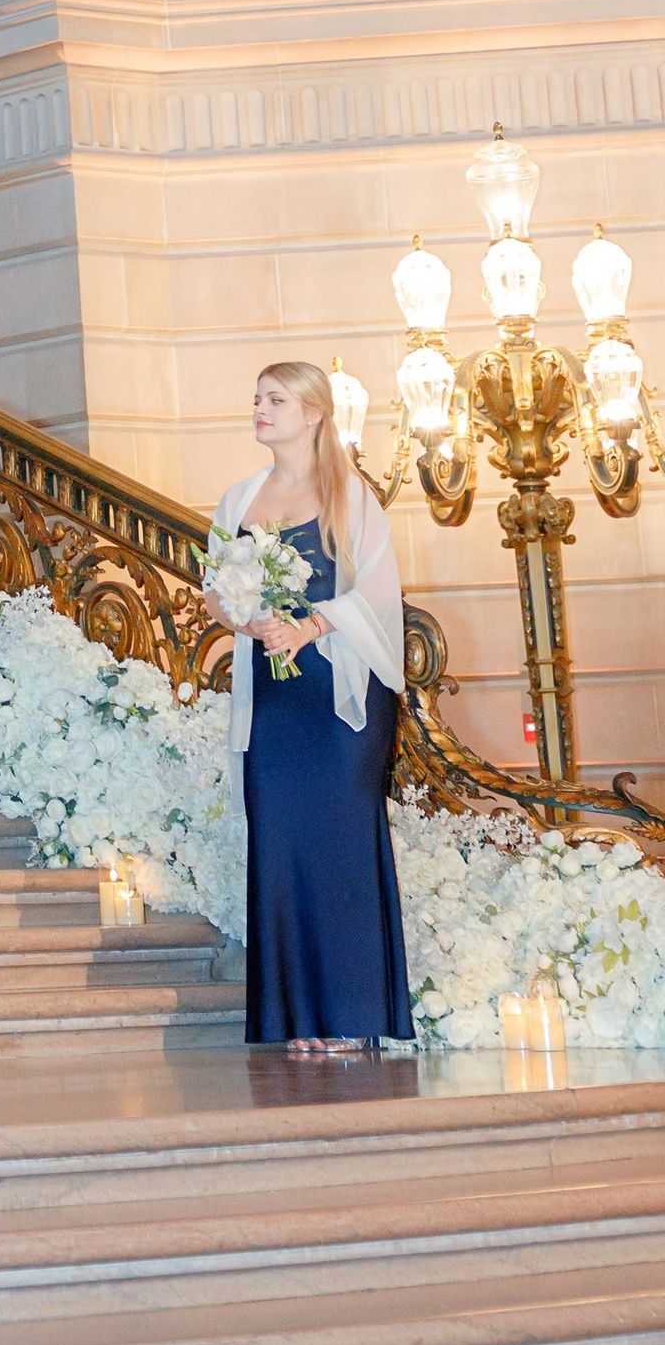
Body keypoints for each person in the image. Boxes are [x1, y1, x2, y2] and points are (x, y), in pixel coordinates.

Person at [213, 357, 412, 1053]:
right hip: (275, 696)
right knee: (282, 842)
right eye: (258, 398)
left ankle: (353, 1019)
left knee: (341, 844)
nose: (261, 409)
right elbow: (217, 591)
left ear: (312, 413)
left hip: (340, 699)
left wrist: (308, 626)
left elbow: (381, 596)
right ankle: (297, 1021)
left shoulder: (350, 496)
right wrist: (247, 618)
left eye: (275, 399)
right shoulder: (238, 500)